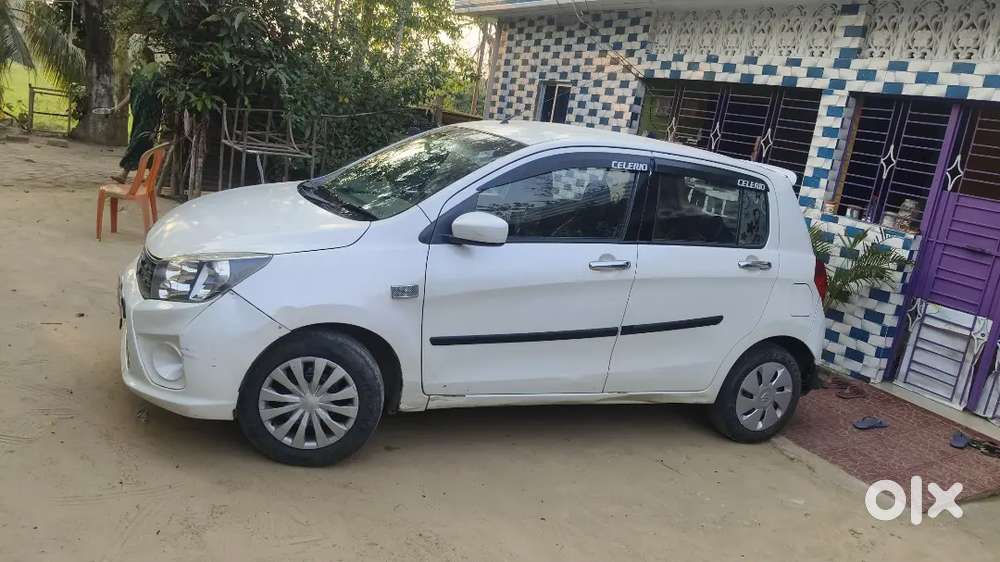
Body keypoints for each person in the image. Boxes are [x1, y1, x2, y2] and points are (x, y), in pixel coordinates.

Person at [107, 48, 163, 184]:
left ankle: (124, 173)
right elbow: (131, 95)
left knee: (138, 141)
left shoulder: (157, 76)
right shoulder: (138, 75)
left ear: (143, 57)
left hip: (150, 116)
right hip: (138, 115)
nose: (137, 58)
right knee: (146, 142)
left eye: (139, 55)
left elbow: (161, 96)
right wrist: (116, 108)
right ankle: (150, 175)